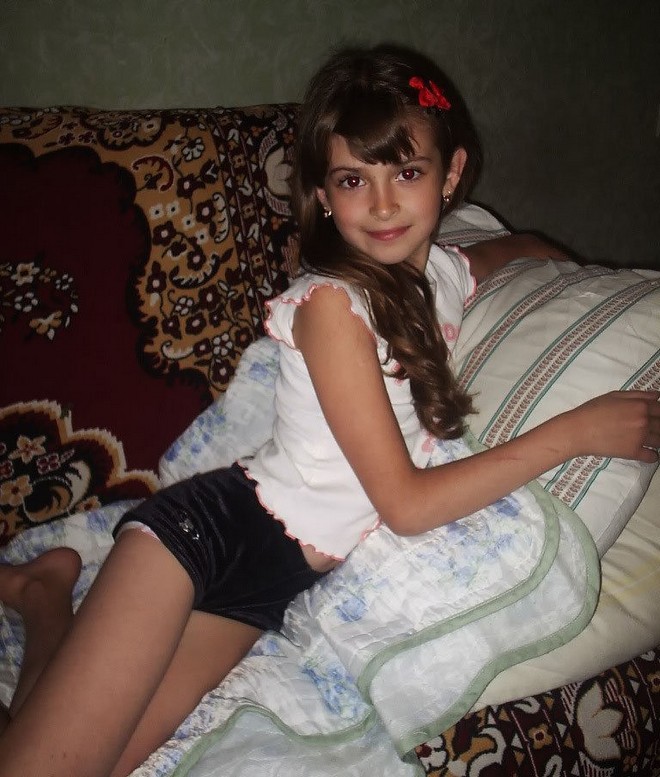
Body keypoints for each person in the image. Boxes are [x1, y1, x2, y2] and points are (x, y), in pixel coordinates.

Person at [0, 44, 658, 777]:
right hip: (202, 539)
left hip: (272, 583)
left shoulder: (444, 271)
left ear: (452, 176)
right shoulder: (333, 308)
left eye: (407, 173)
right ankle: (45, 592)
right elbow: (405, 505)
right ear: (321, 193)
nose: (382, 205)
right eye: (353, 181)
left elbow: (516, 249)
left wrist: (555, 259)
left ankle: (44, 593)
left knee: (99, 761)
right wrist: (577, 432)